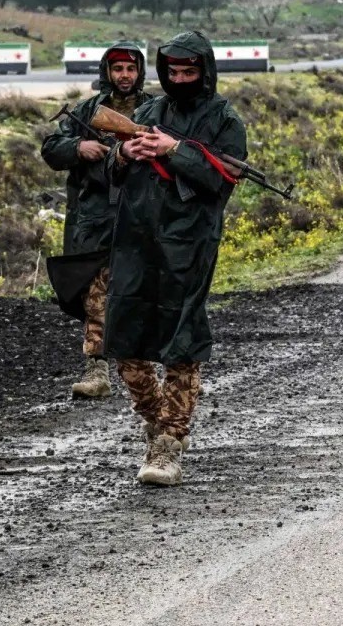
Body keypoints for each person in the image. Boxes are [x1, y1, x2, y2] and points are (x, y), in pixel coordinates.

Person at [105, 31, 247, 487]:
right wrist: (126, 152)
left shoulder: (225, 120)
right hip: (136, 238)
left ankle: (168, 444)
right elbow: (110, 167)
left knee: (181, 341)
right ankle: (157, 417)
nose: (180, 80)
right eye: (173, 73)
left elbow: (222, 178)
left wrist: (174, 151)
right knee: (124, 337)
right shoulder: (148, 111)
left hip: (189, 242)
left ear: (205, 72)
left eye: (189, 73)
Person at [39, 41, 150, 398]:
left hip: (142, 215)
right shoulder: (87, 111)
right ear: (107, 72)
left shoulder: (156, 110)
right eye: (118, 69)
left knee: (143, 293)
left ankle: (148, 374)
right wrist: (78, 148)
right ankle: (96, 370)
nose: (124, 76)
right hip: (97, 217)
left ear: (139, 72)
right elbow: (51, 149)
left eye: (130, 69)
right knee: (96, 293)